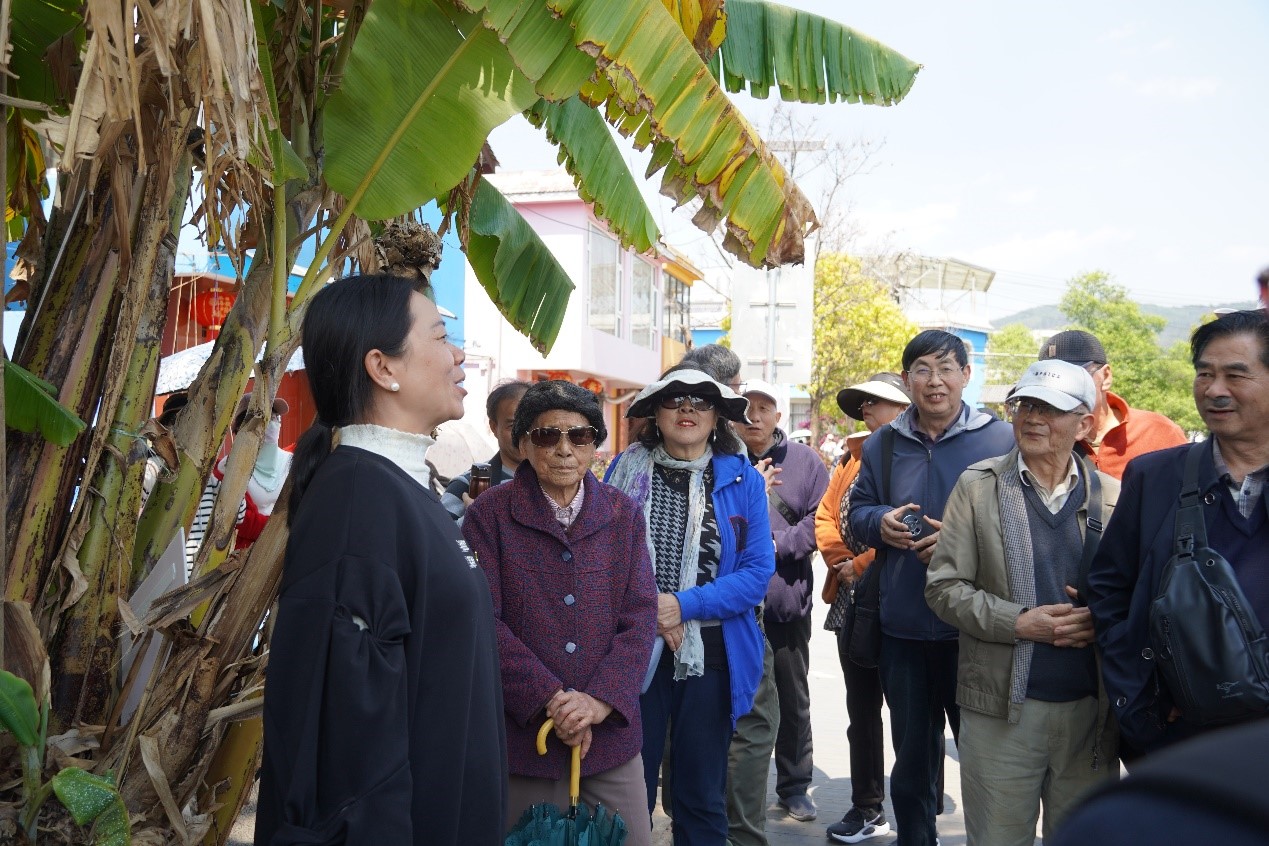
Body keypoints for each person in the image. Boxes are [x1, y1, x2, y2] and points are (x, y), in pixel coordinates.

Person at [254, 275, 507, 846]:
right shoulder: (357, 503)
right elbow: (350, 748)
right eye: (440, 337)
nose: (459, 354)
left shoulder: (395, 487)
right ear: (383, 367)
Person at [925, 360, 1120, 846]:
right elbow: (943, 588)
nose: (1032, 417)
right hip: (1001, 713)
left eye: (1049, 408)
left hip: (1090, 715)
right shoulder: (979, 486)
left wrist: (1102, 619)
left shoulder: (1112, 497)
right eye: (1024, 405)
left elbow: (1136, 597)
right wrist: (1018, 622)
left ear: (1084, 425)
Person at [462, 381, 656, 845]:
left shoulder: (623, 514)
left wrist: (598, 701)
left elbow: (641, 617)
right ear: (524, 444)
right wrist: (550, 698)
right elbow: (482, 622)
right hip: (526, 739)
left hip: (610, 738)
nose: (564, 449)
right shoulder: (489, 515)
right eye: (548, 436)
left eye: (580, 436)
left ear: (595, 444)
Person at [848, 330, 1015, 846]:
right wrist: (880, 522)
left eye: (946, 369)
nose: (935, 380)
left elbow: (1023, 523)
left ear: (967, 375)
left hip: (976, 631)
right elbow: (855, 513)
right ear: (907, 379)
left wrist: (962, 542)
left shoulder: (1002, 440)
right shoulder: (883, 443)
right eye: (923, 369)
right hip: (904, 627)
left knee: (986, 759)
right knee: (912, 762)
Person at [1086, 309, 1269, 757]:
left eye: (1235, 375)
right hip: (1180, 737)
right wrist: (1143, 687)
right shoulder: (1154, 477)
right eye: (1204, 374)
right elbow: (1109, 589)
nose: (1215, 389)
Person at [605, 367, 774, 846]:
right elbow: (605, 559)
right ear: (655, 413)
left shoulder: (742, 478)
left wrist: (683, 605)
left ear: (717, 416)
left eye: (701, 401)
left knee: (700, 794)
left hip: (712, 652)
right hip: (632, 648)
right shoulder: (622, 471)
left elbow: (757, 573)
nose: (687, 409)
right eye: (674, 399)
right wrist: (654, 615)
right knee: (627, 789)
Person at [817, 373, 910, 844]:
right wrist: (842, 562)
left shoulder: (916, 455)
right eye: (864, 403)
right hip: (852, 602)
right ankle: (867, 806)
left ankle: (918, 813)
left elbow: (912, 526)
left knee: (912, 715)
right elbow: (825, 515)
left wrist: (860, 564)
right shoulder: (851, 458)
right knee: (862, 710)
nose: (867, 409)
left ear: (903, 407)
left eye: (877, 401)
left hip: (903, 601)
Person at [735, 379, 829, 823]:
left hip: (784, 599)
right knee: (736, 697)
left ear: (778, 415)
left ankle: (794, 785)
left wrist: (774, 546)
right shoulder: (721, 459)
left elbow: (820, 521)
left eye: (763, 407)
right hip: (732, 604)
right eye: (746, 407)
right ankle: (736, 786)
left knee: (792, 697)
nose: (753, 416)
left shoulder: (806, 461)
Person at [1038, 329, 1186, 479]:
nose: (1062, 388)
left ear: (1106, 377)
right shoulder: (1039, 437)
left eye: (1076, 378)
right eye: (1051, 381)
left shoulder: (1160, 432)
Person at [185, 392, 292, 573]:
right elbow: (237, 520)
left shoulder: (292, 461)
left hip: (283, 555)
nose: (273, 422)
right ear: (243, 427)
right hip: (245, 562)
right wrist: (283, 527)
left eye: (276, 417)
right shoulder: (226, 470)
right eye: (266, 417)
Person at [442, 379, 529, 520]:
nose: (523, 434)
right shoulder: (467, 485)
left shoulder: (557, 482)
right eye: (512, 426)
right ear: (494, 427)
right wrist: (475, 516)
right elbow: (440, 532)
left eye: (530, 424)